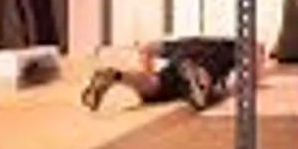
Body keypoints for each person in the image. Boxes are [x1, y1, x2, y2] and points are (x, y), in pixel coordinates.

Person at [82, 37, 238, 113]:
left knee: (155, 86)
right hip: (203, 61)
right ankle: (199, 79)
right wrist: (229, 90)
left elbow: (147, 48)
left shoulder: (183, 42)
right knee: (209, 73)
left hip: (178, 62)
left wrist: (148, 73)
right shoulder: (230, 48)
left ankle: (118, 76)